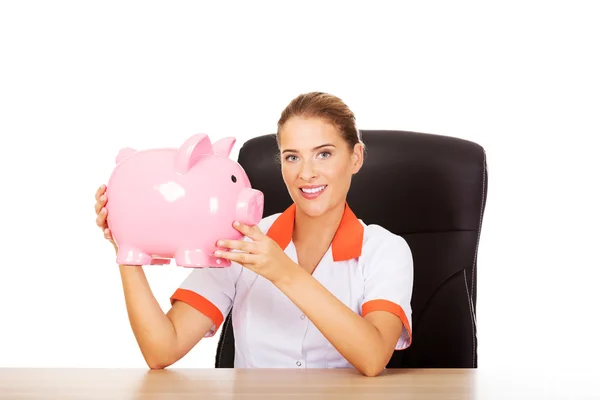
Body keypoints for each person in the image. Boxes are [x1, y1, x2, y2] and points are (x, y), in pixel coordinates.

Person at [94, 92, 414, 377]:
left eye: (324, 154)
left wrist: (284, 272)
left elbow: (373, 359)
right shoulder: (240, 238)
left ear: (355, 157)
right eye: (292, 157)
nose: (306, 172)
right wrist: (127, 241)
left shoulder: (385, 250)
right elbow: (162, 348)